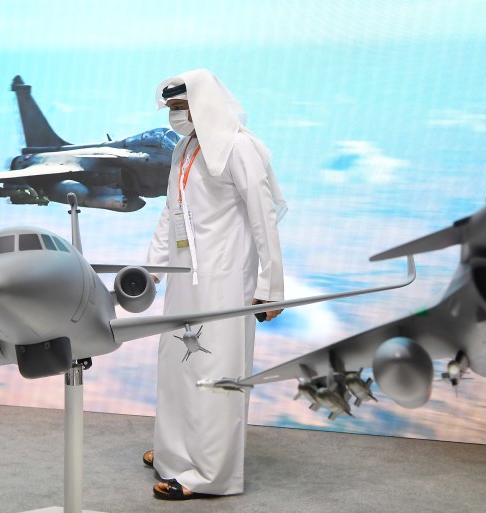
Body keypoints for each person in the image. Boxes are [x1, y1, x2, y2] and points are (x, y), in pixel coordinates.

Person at [145, 69, 287, 500]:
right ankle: (174, 455)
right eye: (169, 109)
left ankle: (209, 475)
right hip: (183, 281)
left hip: (227, 282)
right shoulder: (184, 149)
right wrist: (151, 268)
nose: (174, 116)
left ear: (202, 104)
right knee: (177, 366)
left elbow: (264, 220)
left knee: (214, 374)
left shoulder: (240, 148)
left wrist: (271, 286)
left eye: (179, 107)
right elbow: (170, 213)